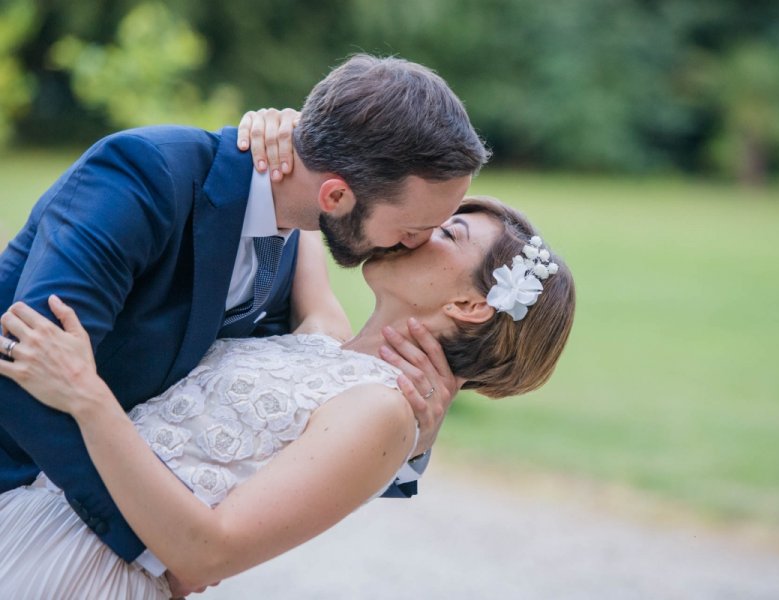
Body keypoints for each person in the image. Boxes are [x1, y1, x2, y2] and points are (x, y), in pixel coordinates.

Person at [0, 53, 489, 587]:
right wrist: (163, 550)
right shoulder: (144, 176)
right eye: (417, 226)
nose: (416, 244)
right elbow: (23, 367)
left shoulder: (292, 235)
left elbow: (292, 413)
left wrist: (413, 441)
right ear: (337, 195)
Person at [0, 196, 576, 597]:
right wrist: (280, 130)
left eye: (448, 232)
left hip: (77, 571)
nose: (421, 229)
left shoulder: (383, 413)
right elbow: (299, 207)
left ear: (472, 306)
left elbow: (207, 555)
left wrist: (84, 393)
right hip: (27, 517)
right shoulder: (324, 340)